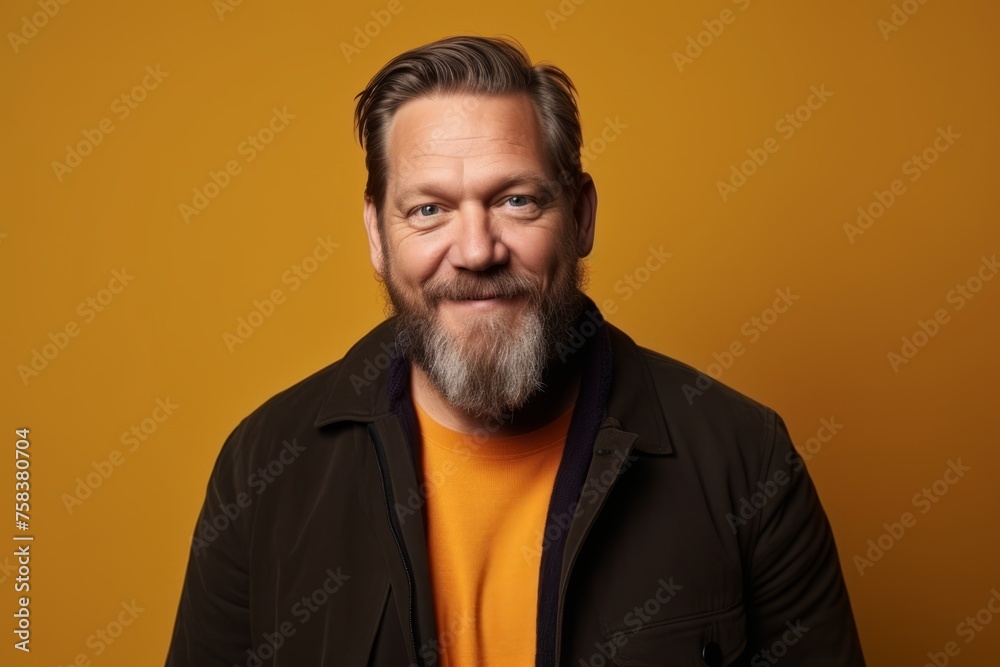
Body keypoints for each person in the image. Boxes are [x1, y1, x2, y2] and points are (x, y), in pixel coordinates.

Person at [165, 34, 866, 666]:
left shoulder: (747, 462)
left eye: (517, 201)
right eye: (428, 209)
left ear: (581, 215)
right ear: (378, 236)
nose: (475, 251)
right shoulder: (264, 469)